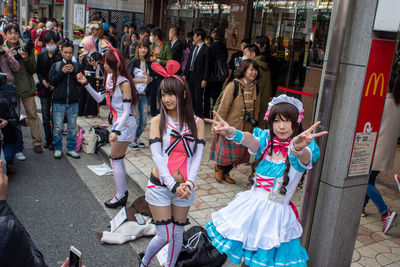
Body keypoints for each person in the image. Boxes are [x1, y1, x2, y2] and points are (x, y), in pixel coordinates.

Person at [205, 94, 327, 267]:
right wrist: (232, 132)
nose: (281, 126)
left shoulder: (301, 149)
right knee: (246, 262)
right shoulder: (266, 141)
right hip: (250, 209)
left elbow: (305, 157)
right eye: (277, 120)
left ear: (297, 122)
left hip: (274, 217)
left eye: (287, 121)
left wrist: (297, 147)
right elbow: (251, 140)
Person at [139, 60, 205, 267]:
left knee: (177, 234)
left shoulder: (197, 123)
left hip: (185, 188)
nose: (167, 99)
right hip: (160, 186)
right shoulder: (158, 121)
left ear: (183, 94)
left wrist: (189, 185)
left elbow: (196, 157)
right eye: (163, 94)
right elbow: (157, 156)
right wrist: (173, 185)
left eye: (171, 94)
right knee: (165, 235)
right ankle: (144, 264)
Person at [77, 43, 138, 208]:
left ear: (117, 65)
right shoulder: (111, 78)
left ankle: (121, 195)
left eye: (107, 63)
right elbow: (99, 98)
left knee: (116, 159)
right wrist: (85, 84)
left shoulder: (124, 83)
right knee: (116, 159)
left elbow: (126, 111)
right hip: (119, 124)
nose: (104, 65)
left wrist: (116, 130)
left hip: (125, 124)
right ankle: (121, 194)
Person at [361, 72, 400, 233]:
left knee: (364, 182)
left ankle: (385, 212)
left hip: (374, 149)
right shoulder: (397, 103)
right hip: (385, 151)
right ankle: (361, 208)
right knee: (370, 180)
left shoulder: (382, 103)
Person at [210, 59, 260, 184]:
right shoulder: (234, 85)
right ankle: (219, 169)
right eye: (251, 69)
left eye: (256, 70)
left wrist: (255, 124)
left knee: (239, 153)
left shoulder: (256, 87)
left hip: (246, 126)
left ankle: (226, 172)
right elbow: (223, 107)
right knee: (226, 152)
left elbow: (257, 107)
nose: (254, 73)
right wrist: (216, 125)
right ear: (244, 71)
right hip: (230, 125)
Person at [4, 23, 43, 154]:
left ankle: (37, 142)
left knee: (32, 115)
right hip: (9, 89)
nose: (13, 35)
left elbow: (33, 69)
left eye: (15, 32)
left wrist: (26, 58)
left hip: (26, 87)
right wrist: (8, 56)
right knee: (14, 118)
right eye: (10, 33)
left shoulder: (26, 47)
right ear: (6, 34)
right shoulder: (2, 48)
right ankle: (17, 146)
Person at [48, 40, 82, 159]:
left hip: (73, 101)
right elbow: (52, 82)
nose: (68, 55)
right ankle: (57, 148)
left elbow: (81, 83)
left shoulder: (77, 66)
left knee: (72, 127)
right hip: (58, 101)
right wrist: (62, 73)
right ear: (61, 52)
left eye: (70, 53)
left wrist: (74, 72)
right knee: (57, 127)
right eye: (66, 52)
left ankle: (71, 148)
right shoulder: (56, 66)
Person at [36, 31, 61, 150]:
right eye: (48, 43)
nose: (51, 45)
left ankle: (56, 140)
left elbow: (61, 74)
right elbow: (38, 72)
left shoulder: (59, 56)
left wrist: (54, 85)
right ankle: (48, 139)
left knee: (56, 117)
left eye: (53, 42)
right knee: (45, 116)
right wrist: (43, 82)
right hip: (43, 89)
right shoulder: (41, 56)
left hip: (56, 89)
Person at [127, 40, 153, 150]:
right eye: (141, 47)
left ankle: (136, 138)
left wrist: (149, 79)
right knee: (135, 118)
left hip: (144, 94)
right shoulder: (133, 62)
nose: (143, 50)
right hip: (135, 94)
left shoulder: (149, 63)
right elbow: (127, 79)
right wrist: (141, 81)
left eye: (145, 48)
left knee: (143, 120)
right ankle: (131, 139)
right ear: (137, 49)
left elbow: (152, 78)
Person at [183, 28, 211, 117]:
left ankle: (198, 116)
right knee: (189, 95)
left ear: (199, 37)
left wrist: (205, 79)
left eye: (195, 36)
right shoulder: (194, 47)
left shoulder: (206, 49)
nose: (193, 37)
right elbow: (189, 61)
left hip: (199, 77)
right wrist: (185, 74)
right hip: (190, 75)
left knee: (197, 97)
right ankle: (190, 114)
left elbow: (207, 66)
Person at [243, 44, 272, 129]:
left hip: (254, 105)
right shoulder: (265, 67)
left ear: (253, 54)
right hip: (263, 102)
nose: (244, 56)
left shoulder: (253, 68)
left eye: (245, 53)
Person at [149, 27, 172, 119]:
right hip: (152, 73)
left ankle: (162, 114)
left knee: (160, 95)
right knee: (152, 95)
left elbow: (170, 61)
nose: (151, 37)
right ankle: (153, 114)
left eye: (152, 35)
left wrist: (158, 60)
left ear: (156, 36)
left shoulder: (166, 47)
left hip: (161, 74)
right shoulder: (151, 46)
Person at [204, 30, 228, 118]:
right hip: (220, 76)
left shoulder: (212, 47)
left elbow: (208, 61)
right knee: (217, 96)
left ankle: (206, 114)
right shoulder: (224, 47)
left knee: (207, 95)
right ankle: (215, 114)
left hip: (211, 75)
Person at [78, 37, 102, 117]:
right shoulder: (85, 54)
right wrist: (81, 61)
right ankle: (82, 111)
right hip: (85, 76)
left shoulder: (97, 55)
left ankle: (90, 112)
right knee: (83, 95)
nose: (84, 47)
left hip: (92, 77)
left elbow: (101, 66)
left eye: (85, 45)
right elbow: (83, 66)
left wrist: (95, 65)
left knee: (90, 96)